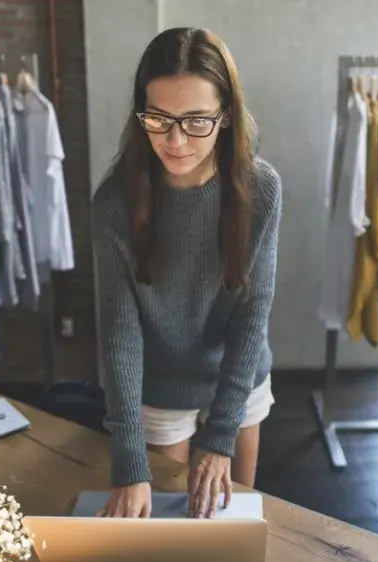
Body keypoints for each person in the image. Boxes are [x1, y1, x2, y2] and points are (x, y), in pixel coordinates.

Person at [91, 27, 283, 520]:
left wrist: (220, 434)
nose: (174, 141)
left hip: (237, 377)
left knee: (229, 523)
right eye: (158, 119)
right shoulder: (115, 204)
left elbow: (252, 313)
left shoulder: (260, 190)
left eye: (197, 120)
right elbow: (119, 334)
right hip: (159, 384)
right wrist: (128, 461)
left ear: (226, 116)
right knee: (161, 528)